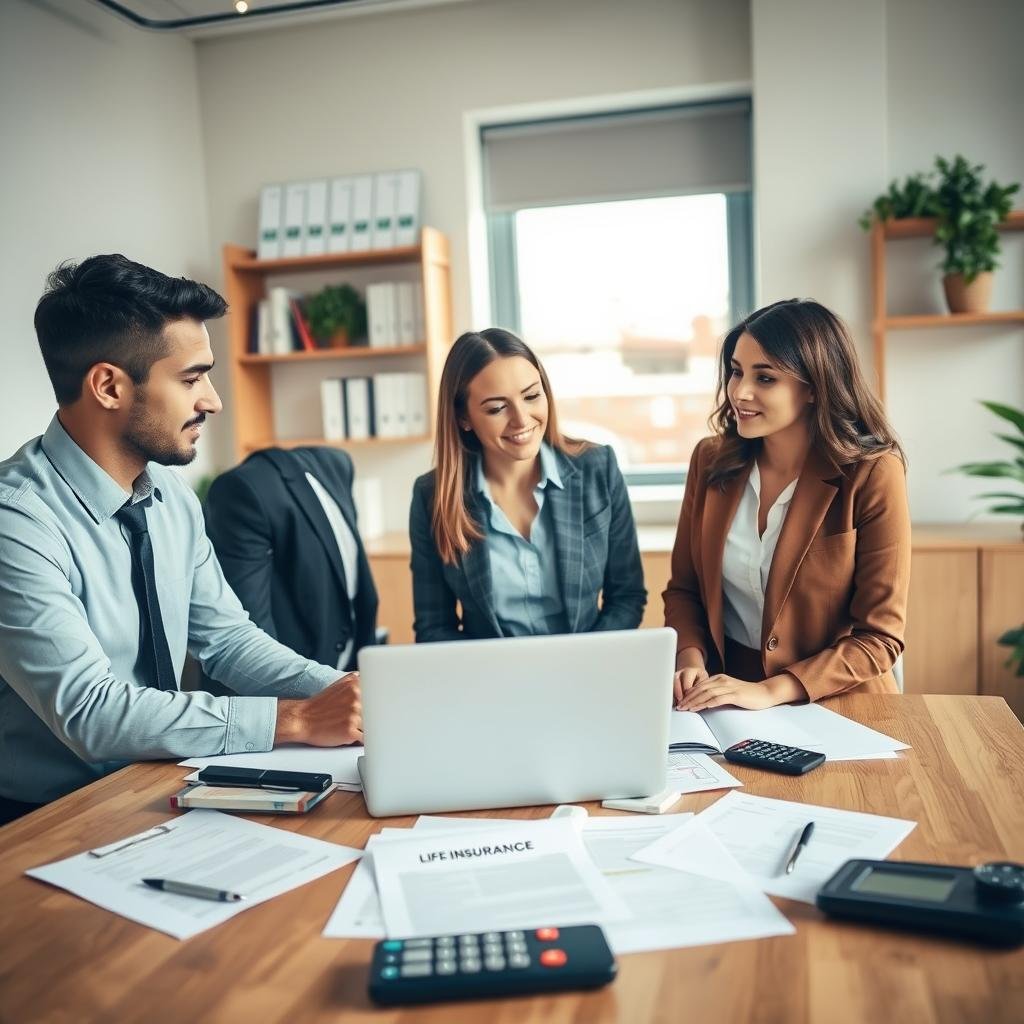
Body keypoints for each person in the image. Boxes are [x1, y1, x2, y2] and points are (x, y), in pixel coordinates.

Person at [0, 255, 361, 824]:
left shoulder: (170, 494)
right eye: (191, 378)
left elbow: (228, 641)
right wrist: (294, 720)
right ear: (108, 386)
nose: (212, 400)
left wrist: (350, 693)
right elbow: (91, 713)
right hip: (46, 817)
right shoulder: (16, 523)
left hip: (162, 781)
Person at [664, 299, 910, 711]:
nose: (740, 392)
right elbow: (685, 590)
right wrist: (690, 659)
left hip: (839, 702)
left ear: (814, 387)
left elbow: (880, 637)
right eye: (736, 372)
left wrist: (769, 690)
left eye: (765, 378)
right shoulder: (709, 460)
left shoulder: (872, 474)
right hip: (725, 697)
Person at [409, 328, 645, 642]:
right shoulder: (432, 496)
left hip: (585, 672)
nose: (522, 420)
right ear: (463, 417)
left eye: (532, 396)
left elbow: (627, 597)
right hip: (490, 680)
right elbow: (434, 627)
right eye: (496, 408)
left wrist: (585, 658)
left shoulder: (597, 468)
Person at [204, 446, 380, 675]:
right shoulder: (240, 491)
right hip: (288, 692)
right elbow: (248, 638)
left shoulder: (337, 465)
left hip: (352, 673)